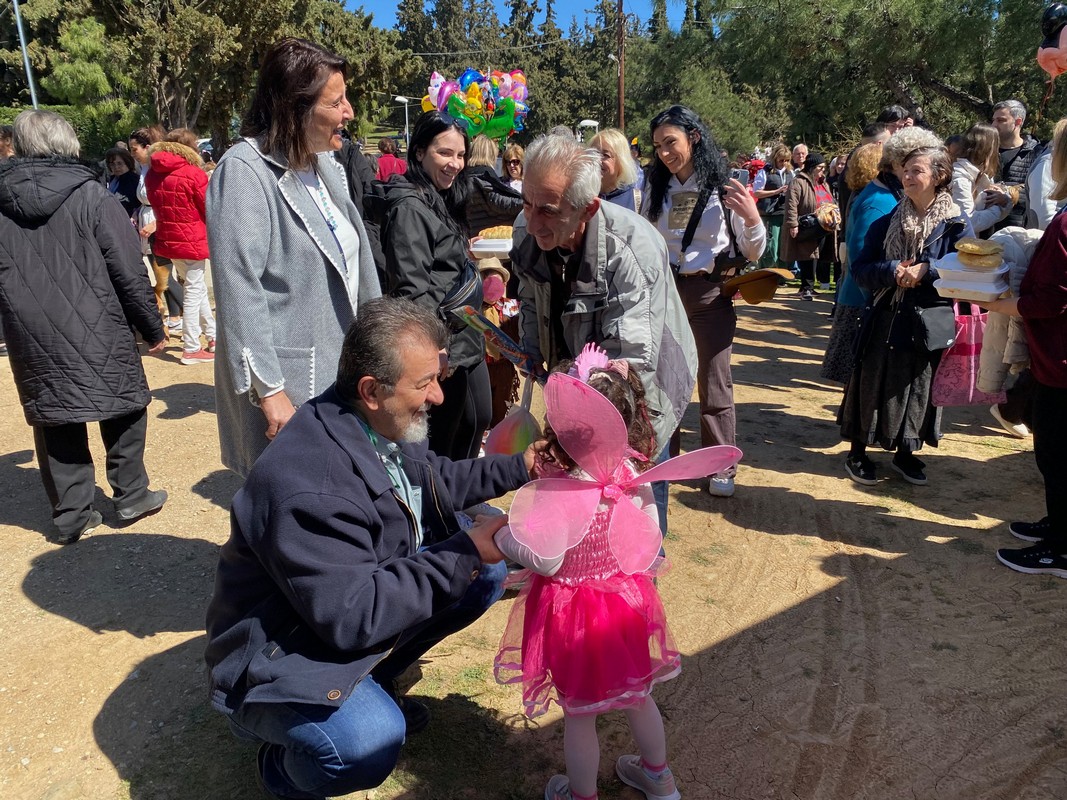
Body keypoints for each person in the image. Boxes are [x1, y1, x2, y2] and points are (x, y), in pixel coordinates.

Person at [205, 297, 539, 799]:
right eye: (424, 383)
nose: (439, 397)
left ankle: (368, 681)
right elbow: (353, 616)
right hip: (278, 650)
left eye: (437, 377)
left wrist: (522, 467)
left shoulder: (370, 420)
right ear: (371, 390)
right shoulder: (310, 485)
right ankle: (279, 764)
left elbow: (431, 480)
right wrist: (464, 552)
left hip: (331, 613)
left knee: (484, 578)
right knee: (365, 743)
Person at [494, 349, 696, 800]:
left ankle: (581, 796)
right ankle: (660, 780)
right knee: (639, 696)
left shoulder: (560, 483)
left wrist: (503, 539)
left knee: (579, 714)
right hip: (625, 602)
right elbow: (648, 538)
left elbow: (544, 559)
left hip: (572, 615)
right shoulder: (632, 472)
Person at [207, 37, 380, 477]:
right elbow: (239, 288)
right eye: (337, 101)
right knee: (292, 508)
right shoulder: (246, 172)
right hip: (290, 386)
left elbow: (356, 271)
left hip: (339, 371)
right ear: (295, 106)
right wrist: (270, 390)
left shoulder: (325, 169)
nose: (349, 112)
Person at [0, 110, 167, 544]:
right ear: (68, 143)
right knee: (125, 403)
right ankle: (131, 494)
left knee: (54, 414)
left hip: (30, 324)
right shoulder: (93, 196)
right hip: (97, 317)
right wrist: (151, 325)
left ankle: (72, 514)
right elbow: (128, 268)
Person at [511, 131, 697, 490]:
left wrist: (580, 425)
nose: (533, 224)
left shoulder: (632, 250)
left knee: (630, 497)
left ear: (588, 208)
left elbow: (630, 364)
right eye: (526, 203)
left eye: (548, 211)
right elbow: (531, 297)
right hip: (576, 385)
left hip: (640, 394)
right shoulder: (526, 230)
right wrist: (531, 351)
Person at [642, 105, 764, 498]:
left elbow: (753, 250)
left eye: (671, 142)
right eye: (658, 145)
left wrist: (752, 217)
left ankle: (719, 466)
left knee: (714, 382)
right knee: (665, 380)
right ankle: (664, 459)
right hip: (665, 293)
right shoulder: (653, 187)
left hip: (709, 294)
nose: (664, 152)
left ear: (693, 137)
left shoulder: (723, 187)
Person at [839, 145, 971, 486]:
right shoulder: (886, 222)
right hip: (885, 313)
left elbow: (967, 273)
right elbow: (861, 269)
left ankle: (906, 453)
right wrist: (892, 270)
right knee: (872, 382)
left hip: (928, 319)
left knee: (918, 385)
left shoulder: (955, 226)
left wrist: (926, 272)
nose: (908, 177)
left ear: (939, 177)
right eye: (906, 170)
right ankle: (858, 451)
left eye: (917, 171)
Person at [979, 117, 1067, 578]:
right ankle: (1058, 526)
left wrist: (1003, 301)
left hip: (1062, 359)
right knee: (1052, 449)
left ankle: (1061, 549)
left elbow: (1052, 298)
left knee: (1057, 451)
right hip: (1056, 358)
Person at [380, 111, 490, 461]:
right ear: (419, 153)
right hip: (442, 343)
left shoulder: (442, 198)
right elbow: (412, 289)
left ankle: (460, 499)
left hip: (465, 334)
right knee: (443, 436)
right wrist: (432, 347)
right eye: (444, 153)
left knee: (478, 418)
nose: (455, 163)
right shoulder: (410, 207)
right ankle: (440, 508)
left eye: (460, 155)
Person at [145, 127, 217, 364]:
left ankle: (212, 336)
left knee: (193, 287)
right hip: (193, 239)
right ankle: (191, 347)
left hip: (168, 238)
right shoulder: (193, 173)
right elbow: (209, 208)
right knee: (195, 290)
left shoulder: (152, 173)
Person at [130, 125, 183, 332]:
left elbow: (169, 200)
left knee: (164, 274)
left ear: (148, 147)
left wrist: (156, 223)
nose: (132, 154)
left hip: (158, 222)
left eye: (135, 149)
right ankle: (176, 316)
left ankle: (195, 313)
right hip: (147, 219)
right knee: (160, 272)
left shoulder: (157, 168)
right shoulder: (143, 168)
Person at [782, 152, 833, 301]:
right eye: (820, 167)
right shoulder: (798, 182)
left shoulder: (823, 182)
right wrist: (793, 224)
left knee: (817, 256)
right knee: (806, 256)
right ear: (811, 167)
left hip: (823, 225)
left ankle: (809, 287)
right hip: (807, 225)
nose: (822, 171)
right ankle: (806, 288)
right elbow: (791, 204)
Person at [950, 123, 1011, 235]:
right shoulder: (959, 178)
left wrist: (1003, 199)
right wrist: (998, 208)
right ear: (988, 149)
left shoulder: (980, 174)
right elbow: (968, 222)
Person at [991, 99, 1040, 229]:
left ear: (1018, 122)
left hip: (1018, 232)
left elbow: (1040, 191)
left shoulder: (1036, 153)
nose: (994, 125)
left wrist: (1008, 194)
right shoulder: (985, 151)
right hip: (984, 231)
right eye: (994, 120)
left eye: (1001, 120)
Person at [463, 133, 523, 235]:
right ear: (490, 155)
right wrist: (528, 203)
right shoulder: (484, 178)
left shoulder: (464, 178)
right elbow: (500, 202)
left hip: (470, 239)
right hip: (488, 241)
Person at [752, 144, 792, 270]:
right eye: (781, 160)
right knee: (771, 246)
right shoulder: (765, 172)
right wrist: (776, 192)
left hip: (784, 213)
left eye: (786, 160)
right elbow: (757, 192)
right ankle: (767, 272)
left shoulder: (790, 173)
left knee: (783, 246)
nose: (784, 163)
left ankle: (781, 275)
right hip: (769, 214)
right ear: (775, 159)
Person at [590, 127, 639, 211]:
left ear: (621, 161)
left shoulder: (637, 200)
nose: (597, 159)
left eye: (605, 155)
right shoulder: (582, 197)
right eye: (594, 153)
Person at [104, 147, 141, 218]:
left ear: (127, 163)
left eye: (119, 163)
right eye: (112, 164)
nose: (116, 167)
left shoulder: (134, 181)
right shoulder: (113, 179)